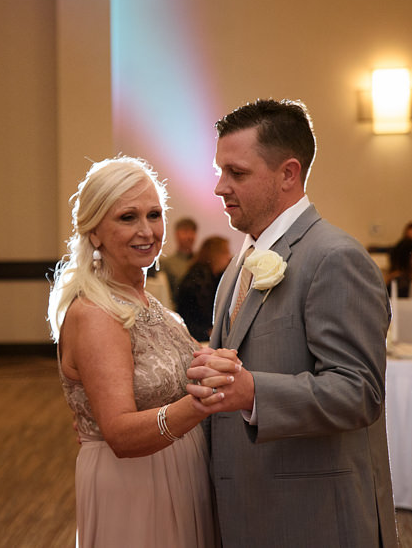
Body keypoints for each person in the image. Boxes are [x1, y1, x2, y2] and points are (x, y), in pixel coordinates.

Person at [184, 99, 397, 547]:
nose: (220, 187)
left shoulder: (334, 257)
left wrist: (253, 392)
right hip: (247, 506)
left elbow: (359, 392)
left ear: (288, 174)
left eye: (236, 173)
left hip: (310, 517)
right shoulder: (240, 263)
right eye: (220, 172)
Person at [49, 157, 228, 547]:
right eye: (127, 217)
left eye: (153, 214)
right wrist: (200, 404)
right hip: (136, 483)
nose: (146, 231)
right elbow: (121, 435)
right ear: (95, 232)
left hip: (178, 471)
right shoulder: (96, 313)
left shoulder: (150, 304)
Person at [175, 236, 231, 342]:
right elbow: (198, 320)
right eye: (225, 252)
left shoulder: (205, 275)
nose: (229, 257)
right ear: (216, 255)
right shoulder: (200, 282)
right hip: (197, 335)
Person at [160, 217, 198, 300]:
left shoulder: (200, 261)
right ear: (177, 234)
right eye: (185, 231)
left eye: (192, 231)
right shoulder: (166, 263)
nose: (189, 236)